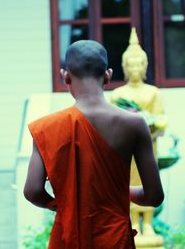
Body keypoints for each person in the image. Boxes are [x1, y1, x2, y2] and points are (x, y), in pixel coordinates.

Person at [23, 39, 164, 248]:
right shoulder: (134, 124)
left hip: (67, 238)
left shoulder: (47, 128)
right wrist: (117, 192)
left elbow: (32, 191)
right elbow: (153, 196)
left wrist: (65, 205)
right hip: (114, 238)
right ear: (108, 76)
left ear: (65, 76)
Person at [111, 28, 167, 240]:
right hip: (126, 148)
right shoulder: (118, 95)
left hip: (148, 144)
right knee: (130, 181)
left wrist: (151, 123)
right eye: (131, 64)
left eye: (138, 64)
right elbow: (112, 121)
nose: (135, 68)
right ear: (125, 67)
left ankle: (149, 224)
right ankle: (133, 222)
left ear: (145, 66)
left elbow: (162, 118)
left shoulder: (154, 92)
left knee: (150, 179)